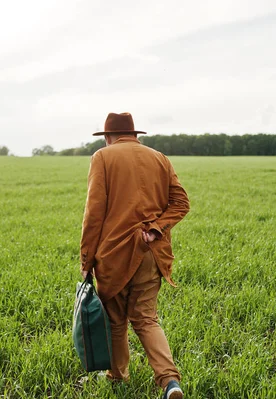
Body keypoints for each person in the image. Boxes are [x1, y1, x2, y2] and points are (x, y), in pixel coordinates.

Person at [80, 112, 190, 399]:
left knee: (116, 321)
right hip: (152, 252)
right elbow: (181, 203)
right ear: (135, 134)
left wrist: (86, 260)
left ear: (107, 137)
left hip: (114, 255)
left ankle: (118, 378)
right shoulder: (159, 158)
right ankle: (169, 382)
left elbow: (94, 215)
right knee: (146, 319)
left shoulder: (102, 158)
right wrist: (155, 229)